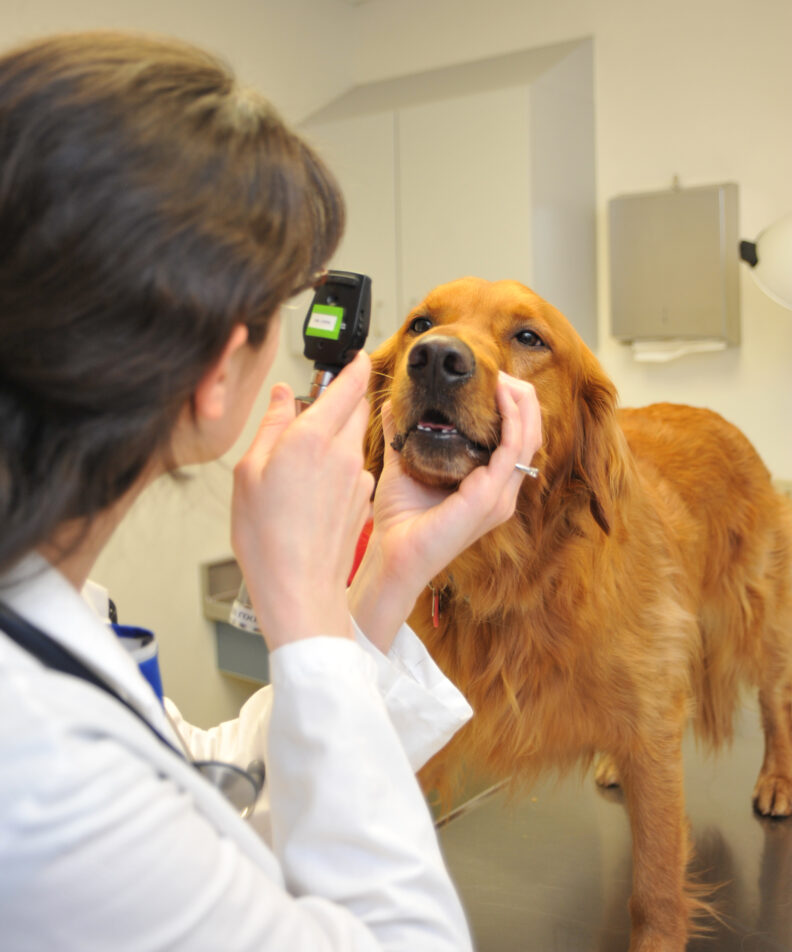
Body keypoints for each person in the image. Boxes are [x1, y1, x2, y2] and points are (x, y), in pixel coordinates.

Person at [0, 31, 543, 952]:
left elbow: (206, 791)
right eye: (285, 306)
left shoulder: (44, 609)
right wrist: (300, 604)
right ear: (221, 374)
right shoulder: (39, 773)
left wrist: (382, 582)